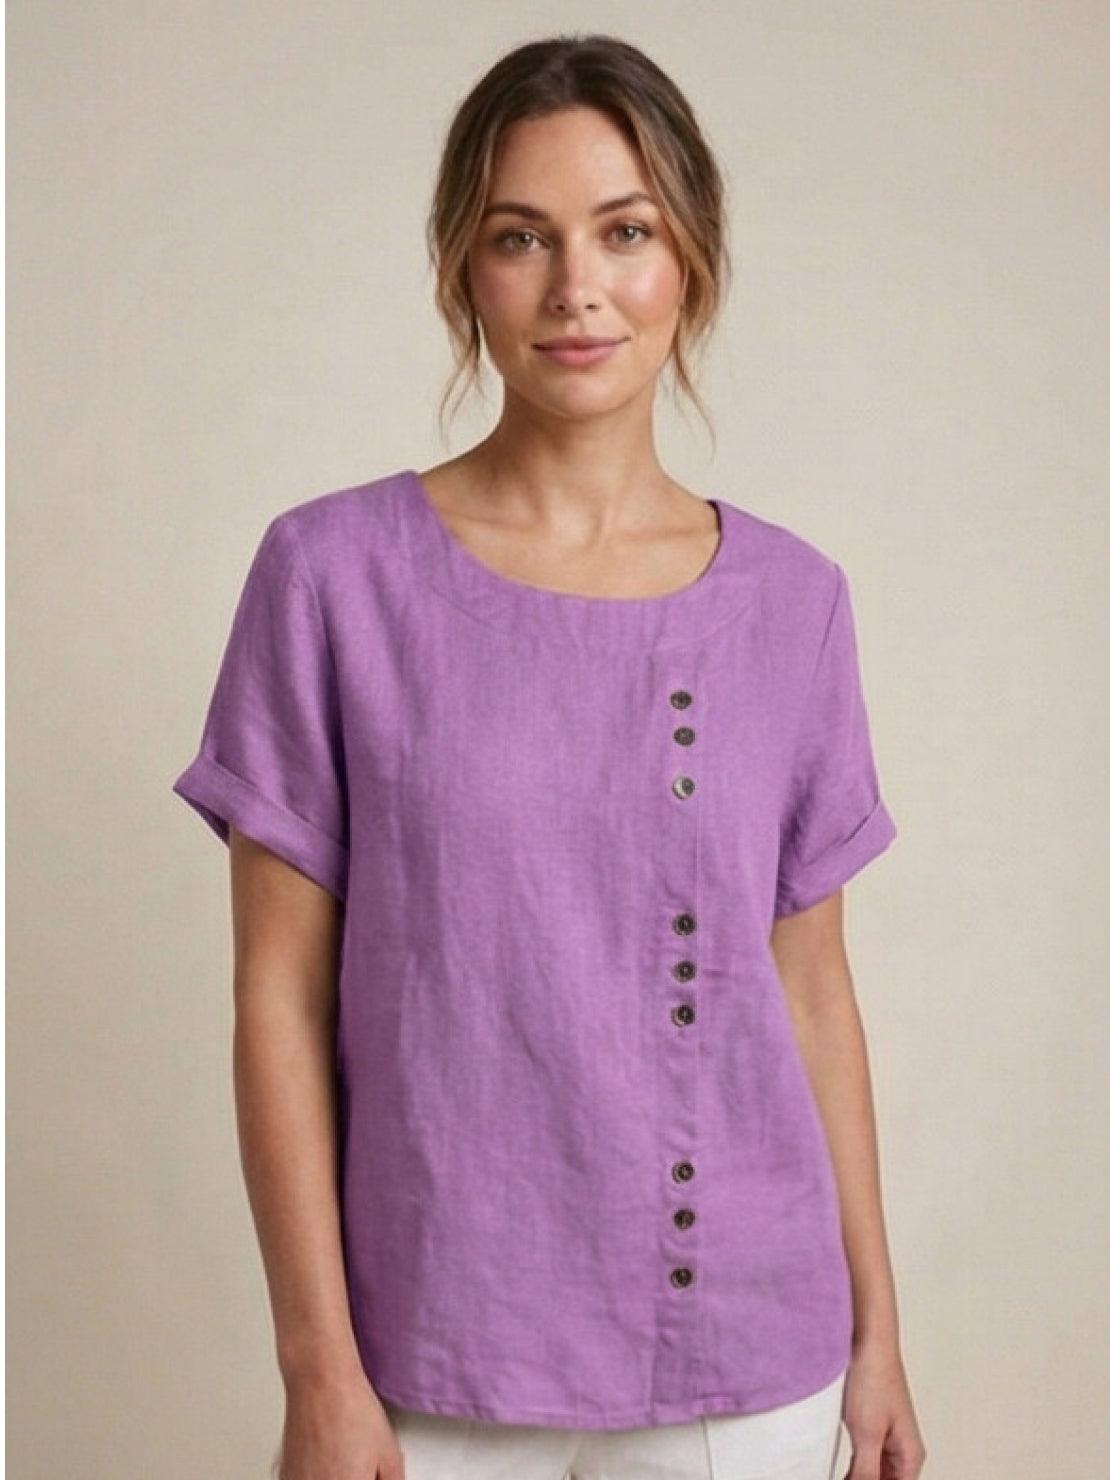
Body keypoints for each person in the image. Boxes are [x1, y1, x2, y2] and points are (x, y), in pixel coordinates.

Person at [171, 32, 927, 1480]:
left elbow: (812, 992)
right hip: (430, 1351)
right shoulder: (331, 578)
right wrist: (317, 1368)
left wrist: (878, 1332)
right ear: (463, 268)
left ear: (690, 258)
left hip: (747, 1360)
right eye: (522, 237)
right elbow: (277, 995)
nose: (577, 286)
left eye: (624, 232)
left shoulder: (795, 601)